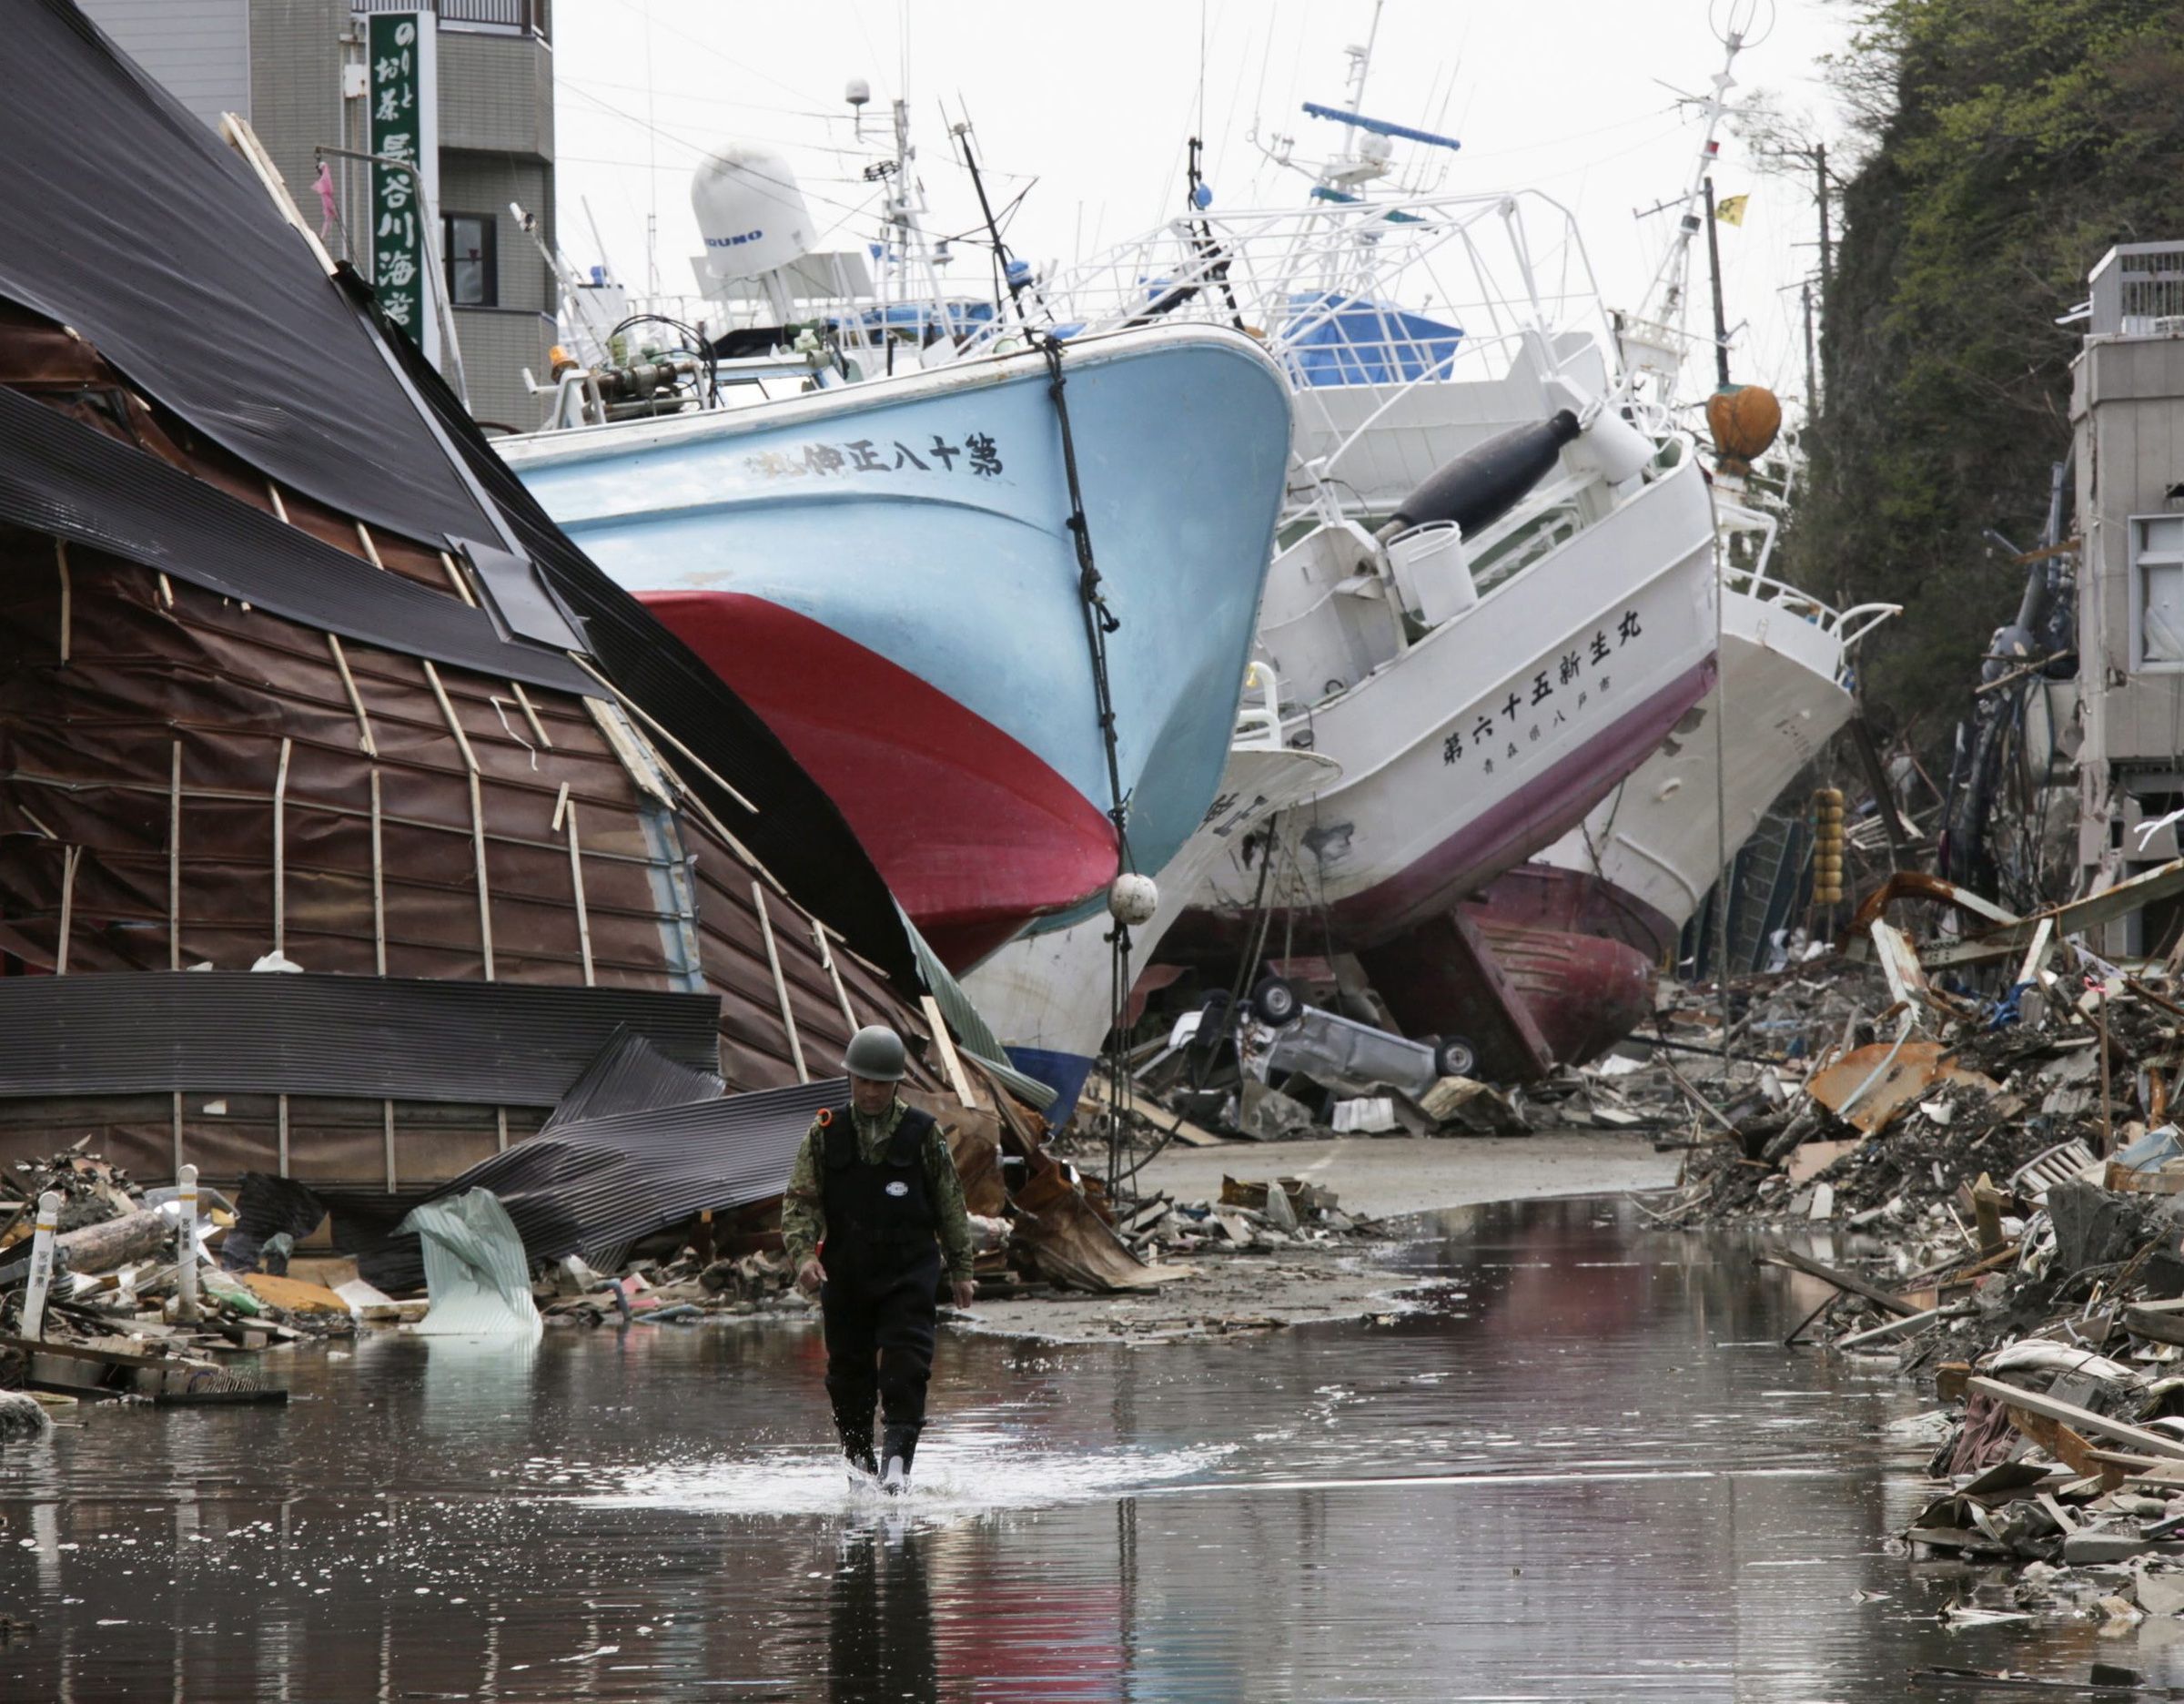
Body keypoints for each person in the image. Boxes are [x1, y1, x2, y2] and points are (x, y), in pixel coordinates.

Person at [783, 1024, 976, 1492]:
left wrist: (962, 1268)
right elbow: (800, 1202)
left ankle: (896, 1467)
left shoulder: (923, 1135)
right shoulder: (825, 1134)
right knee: (847, 1377)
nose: (870, 1091)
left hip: (908, 1273)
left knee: (906, 1368)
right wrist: (804, 1257)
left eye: (880, 1083)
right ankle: (858, 1466)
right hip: (846, 1273)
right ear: (849, 1079)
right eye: (862, 1081)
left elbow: (951, 1203)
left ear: (895, 1085)